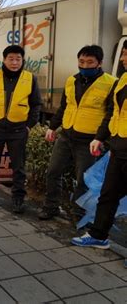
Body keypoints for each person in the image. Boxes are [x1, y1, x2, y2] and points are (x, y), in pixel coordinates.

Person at [38, 45, 117, 220]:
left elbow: (111, 114)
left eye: (90, 62)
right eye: (81, 61)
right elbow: (64, 107)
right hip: (66, 136)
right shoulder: (71, 81)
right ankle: (51, 207)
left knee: (84, 180)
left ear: (100, 63)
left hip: (89, 142)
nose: (85, 66)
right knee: (53, 172)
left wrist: (100, 138)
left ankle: (79, 214)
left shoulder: (111, 83)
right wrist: (52, 127)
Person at [71, 40, 127, 248]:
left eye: (126, 54)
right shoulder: (123, 80)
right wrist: (103, 139)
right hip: (118, 149)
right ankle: (99, 235)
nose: (122, 59)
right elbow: (114, 114)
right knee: (108, 195)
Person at [0, 45, 42, 213]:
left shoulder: (30, 78)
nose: (14, 62)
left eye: (18, 59)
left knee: (18, 166)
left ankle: (18, 199)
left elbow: (36, 105)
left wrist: (29, 126)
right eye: (11, 59)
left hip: (18, 129)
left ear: (23, 60)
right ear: (4, 60)